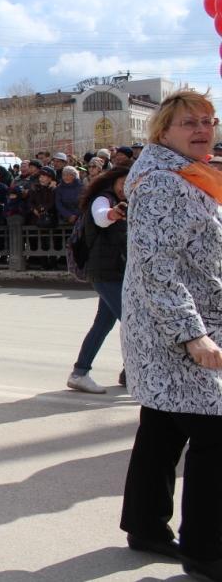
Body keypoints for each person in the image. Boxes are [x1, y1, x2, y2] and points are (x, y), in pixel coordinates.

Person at [118, 89, 222, 578]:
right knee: (214, 437)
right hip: (180, 334)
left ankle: (145, 527)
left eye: (208, 119)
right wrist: (192, 336)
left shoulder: (190, 175)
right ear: (163, 131)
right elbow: (156, 267)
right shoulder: (164, 182)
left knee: (160, 428)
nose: (202, 129)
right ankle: (206, 551)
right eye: (188, 123)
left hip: (170, 327)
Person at [66, 166, 129, 394]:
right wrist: (115, 213)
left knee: (103, 324)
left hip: (116, 271)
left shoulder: (129, 201)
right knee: (132, 323)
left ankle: (80, 373)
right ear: (113, 180)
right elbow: (102, 218)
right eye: (122, 182)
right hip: (105, 273)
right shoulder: (102, 199)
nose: (125, 187)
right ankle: (131, 371)